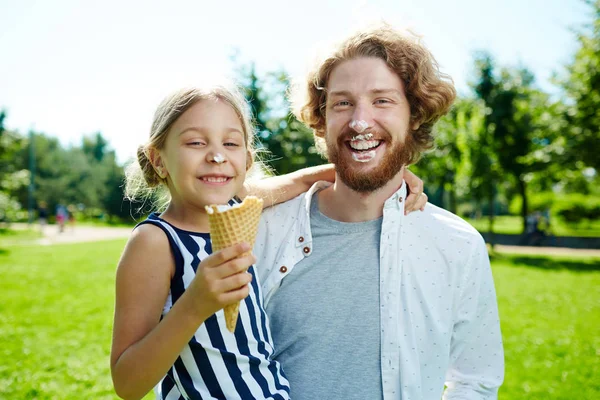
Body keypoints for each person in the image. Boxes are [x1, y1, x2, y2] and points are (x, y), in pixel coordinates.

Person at [110, 82, 430, 399]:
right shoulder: (155, 242)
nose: (217, 156)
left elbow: (305, 179)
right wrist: (193, 307)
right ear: (158, 159)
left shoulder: (239, 207)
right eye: (195, 142)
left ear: (247, 162)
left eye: (232, 144)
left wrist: (390, 176)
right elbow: (127, 384)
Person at [254, 24, 504, 399]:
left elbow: (475, 380)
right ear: (321, 119)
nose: (359, 122)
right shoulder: (265, 230)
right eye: (342, 103)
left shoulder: (458, 245)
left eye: (382, 101)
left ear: (414, 115)